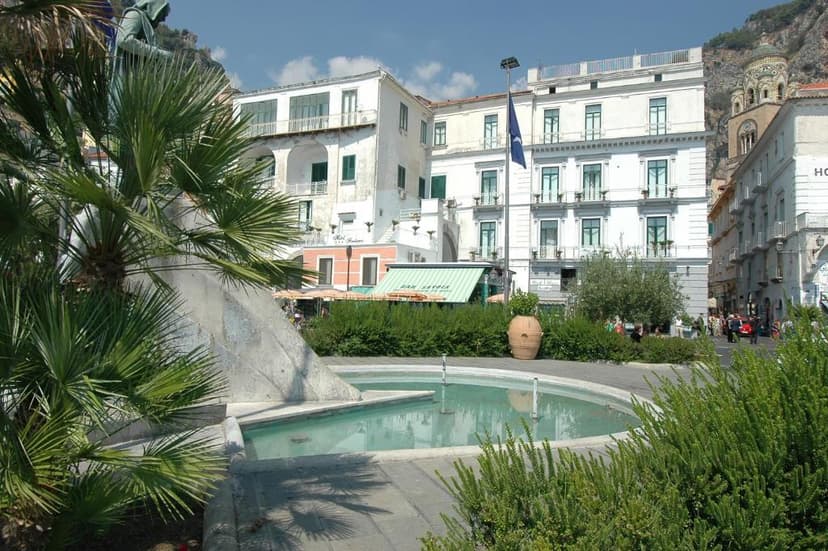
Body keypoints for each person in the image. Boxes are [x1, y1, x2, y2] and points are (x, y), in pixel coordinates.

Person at [113, 0, 172, 78]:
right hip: (125, 76)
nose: (163, 19)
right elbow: (124, 41)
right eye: (162, 13)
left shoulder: (146, 25)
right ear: (153, 8)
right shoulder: (135, 15)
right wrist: (158, 53)